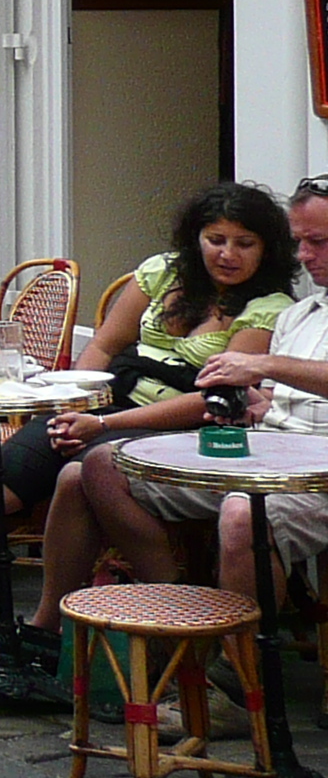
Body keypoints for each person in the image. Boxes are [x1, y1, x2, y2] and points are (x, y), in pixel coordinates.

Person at [0, 180, 292, 640]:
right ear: (195, 238)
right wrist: (75, 405)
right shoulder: (163, 273)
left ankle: (48, 628)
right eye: (215, 240)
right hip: (101, 407)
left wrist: (101, 424)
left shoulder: (268, 307)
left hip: (171, 430)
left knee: (75, 477)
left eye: (245, 244)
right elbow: (103, 345)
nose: (227, 254)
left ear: (267, 249)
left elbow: (212, 398)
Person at [79, 178, 328, 600]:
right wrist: (246, 400)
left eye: (317, 241)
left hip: (317, 472)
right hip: (268, 452)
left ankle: (241, 659)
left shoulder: (277, 311)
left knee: (242, 512)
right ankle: (182, 609)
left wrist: (261, 364)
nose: (304, 256)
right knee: (102, 466)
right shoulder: (301, 315)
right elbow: (269, 399)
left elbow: (279, 372)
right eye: (299, 242)